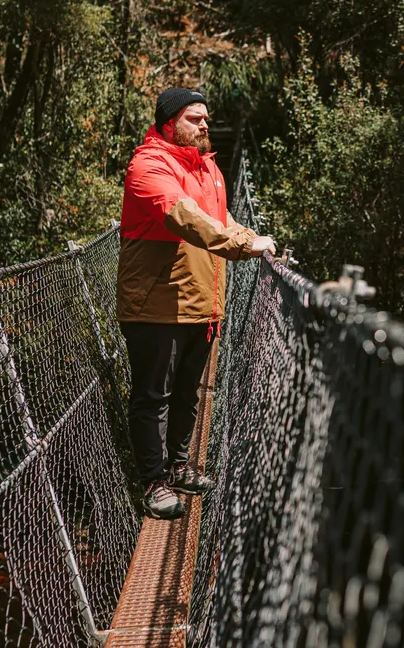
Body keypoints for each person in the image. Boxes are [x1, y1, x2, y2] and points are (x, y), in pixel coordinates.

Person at [117, 88, 275, 520]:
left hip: (202, 304)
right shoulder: (149, 164)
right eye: (194, 118)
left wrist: (253, 239)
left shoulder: (208, 168)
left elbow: (220, 220)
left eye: (206, 118)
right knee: (154, 396)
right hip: (156, 305)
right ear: (169, 123)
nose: (205, 125)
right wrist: (245, 246)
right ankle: (153, 482)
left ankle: (179, 466)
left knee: (188, 394)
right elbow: (183, 216)